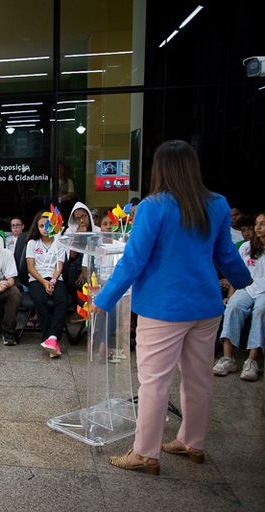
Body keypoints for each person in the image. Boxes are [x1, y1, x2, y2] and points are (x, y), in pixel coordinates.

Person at [90, 140, 250, 475]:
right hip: (206, 307)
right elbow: (226, 255)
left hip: (163, 309)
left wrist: (103, 300)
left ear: (160, 169)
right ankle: (193, 442)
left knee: (154, 381)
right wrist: (244, 279)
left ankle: (145, 453)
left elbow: (133, 261)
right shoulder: (217, 204)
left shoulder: (154, 206)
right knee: (198, 377)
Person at [213, 211, 265, 381]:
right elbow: (238, 274)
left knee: (260, 311)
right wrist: (230, 295)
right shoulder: (246, 247)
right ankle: (228, 358)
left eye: (262, 224)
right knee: (233, 306)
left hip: (264, 292)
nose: (258, 227)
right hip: (247, 288)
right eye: (257, 223)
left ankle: (251, 360)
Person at [26, 210, 68, 358]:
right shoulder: (32, 243)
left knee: (63, 300)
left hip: (55, 277)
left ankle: (53, 337)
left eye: (48, 225)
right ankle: (48, 336)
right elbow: (30, 267)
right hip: (37, 278)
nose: (45, 228)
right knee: (40, 299)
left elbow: (59, 265)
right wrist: (44, 282)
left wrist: (53, 281)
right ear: (36, 227)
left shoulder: (59, 242)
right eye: (41, 225)